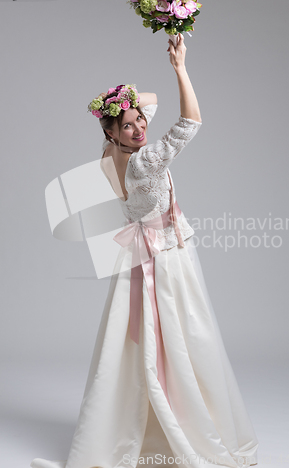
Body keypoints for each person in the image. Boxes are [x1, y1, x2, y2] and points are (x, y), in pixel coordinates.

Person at [31, 34, 259, 468]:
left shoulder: (108, 154)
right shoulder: (143, 161)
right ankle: (180, 422)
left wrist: (123, 104)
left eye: (140, 122)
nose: (141, 128)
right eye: (130, 126)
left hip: (136, 256)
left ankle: (140, 419)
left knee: (137, 344)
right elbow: (191, 120)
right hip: (166, 257)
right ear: (110, 130)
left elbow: (142, 106)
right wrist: (180, 67)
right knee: (184, 337)